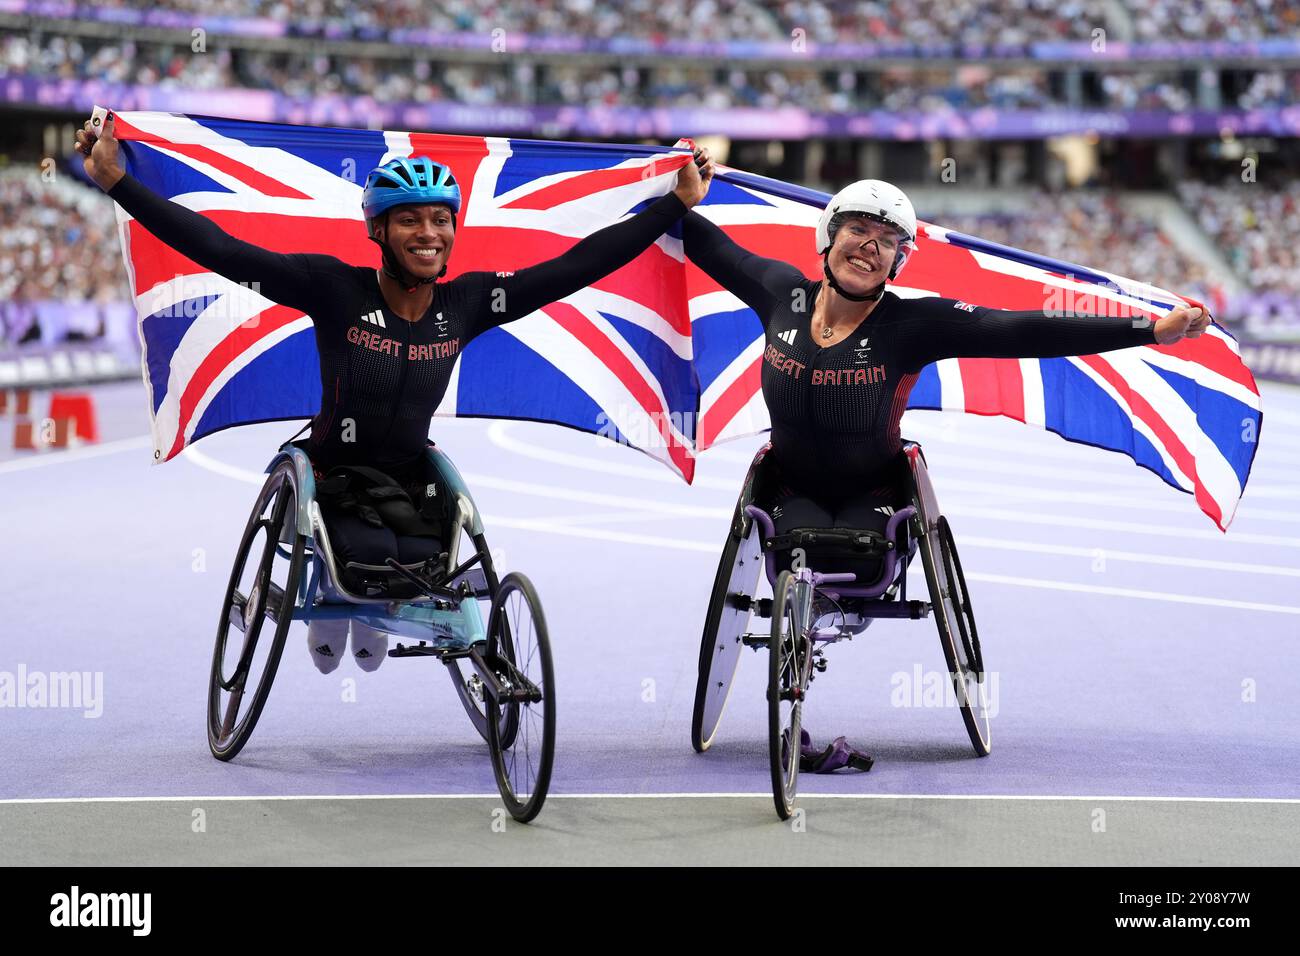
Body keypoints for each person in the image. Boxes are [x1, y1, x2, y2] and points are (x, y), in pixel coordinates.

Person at [77, 113, 715, 671]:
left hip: (412, 477)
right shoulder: (332, 288)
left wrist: (675, 204)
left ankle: (367, 607)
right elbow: (219, 247)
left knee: (422, 562)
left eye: (440, 219)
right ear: (377, 231)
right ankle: (336, 603)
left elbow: (574, 267)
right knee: (371, 556)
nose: (428, 233)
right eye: (408, 220)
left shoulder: (469, 302)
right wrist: (117, 181)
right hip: (333, 471)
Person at [682, 162, 1211, 580]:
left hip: (875, 498)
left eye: (885, 241)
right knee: (794, 550)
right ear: (828, 235)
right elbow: (706, 242)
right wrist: (678, 189)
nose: (868, 247)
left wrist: (1147, 329)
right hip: (789, 490)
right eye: (858, 230)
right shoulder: (782, 294)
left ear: (898, 262)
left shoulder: (914, 324)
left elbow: (1024, 329)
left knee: (855, 557)